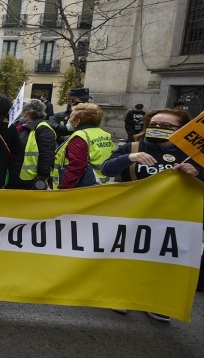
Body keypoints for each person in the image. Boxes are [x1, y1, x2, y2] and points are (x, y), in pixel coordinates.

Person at [101, 108, 201, 322]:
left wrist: (197, 174)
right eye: (154, 125)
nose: (158, 129)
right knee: (127, 255)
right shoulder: (133, 147)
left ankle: (156, 301)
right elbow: (107, 169)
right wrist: (129, 157)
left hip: (175, 218)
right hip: (133, 215)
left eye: (166, 127)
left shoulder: (193, 155)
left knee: (163, 260)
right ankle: (120, 295)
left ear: (182, 130)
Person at [52, 103, 114, 189]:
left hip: (82, 188)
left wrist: (64, 189)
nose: (69, 120)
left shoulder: (80, 136)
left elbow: (76, 167)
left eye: (71, 117)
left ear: (78, 121)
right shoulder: (105, 134)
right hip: (101, 184)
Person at [12, 99, 56, 190]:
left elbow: (46, 156)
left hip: (31, 180)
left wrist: (41, 178)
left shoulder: (43, 129)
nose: (19, 114)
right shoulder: (21, 126)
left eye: (21, 111)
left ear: (29, 113)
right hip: (18, 176)